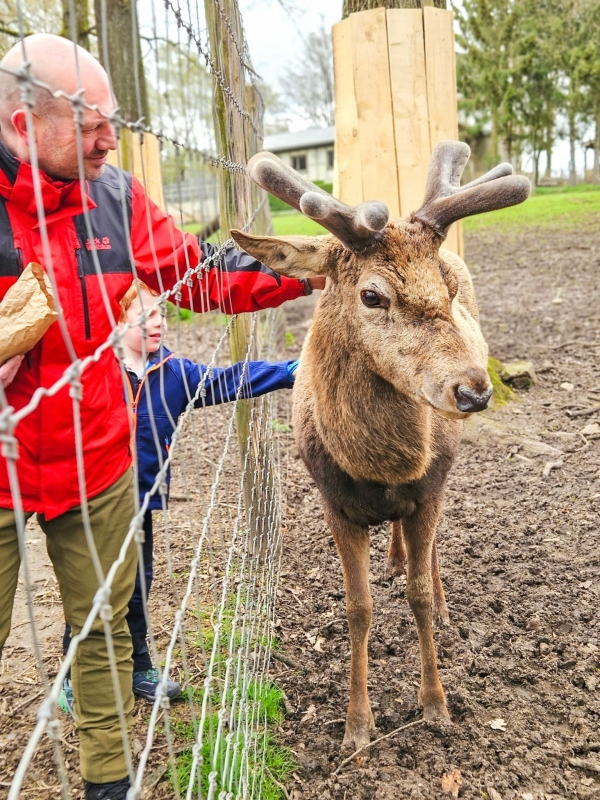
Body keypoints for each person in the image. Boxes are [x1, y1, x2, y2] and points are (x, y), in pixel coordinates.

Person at [0, 33, 322, 800]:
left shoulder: (113, 193)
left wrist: (314, 267)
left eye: (113, 118)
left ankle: (109, 782)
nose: (111, 139)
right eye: (87, 124)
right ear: (20, 125)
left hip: (99, 456)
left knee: (106, 627)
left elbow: (199, 273)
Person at [60, 280, 298, 709]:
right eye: (145, 315)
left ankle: (138, 668)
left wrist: (289, 372)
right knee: (92, 589)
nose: (158, 323)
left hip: (141, 504)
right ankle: (73, 675)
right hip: (92, 501)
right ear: (115, 321)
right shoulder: (91, 372)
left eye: (162, 313)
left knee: (136, 586)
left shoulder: (173, 373)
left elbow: (229, 380)